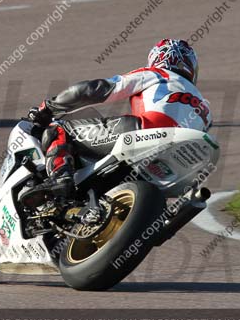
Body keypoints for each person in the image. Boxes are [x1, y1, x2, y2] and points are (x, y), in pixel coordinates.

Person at [22, 39, 212, 204]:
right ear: (191, 66)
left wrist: (48, 107)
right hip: (181, 159)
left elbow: (94, 90)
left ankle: (60, 178)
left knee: (58, 129)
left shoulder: (158, 74)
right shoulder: (206, 108)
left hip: (143, 133)